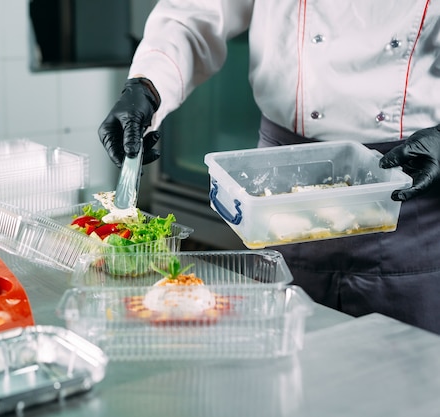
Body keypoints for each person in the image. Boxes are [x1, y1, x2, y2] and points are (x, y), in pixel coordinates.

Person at [98, 1, 440, 334]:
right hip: (278, 193)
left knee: (407, 370)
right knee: (279, 363)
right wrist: (147, 85)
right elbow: (196, 12)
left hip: (411, 184)